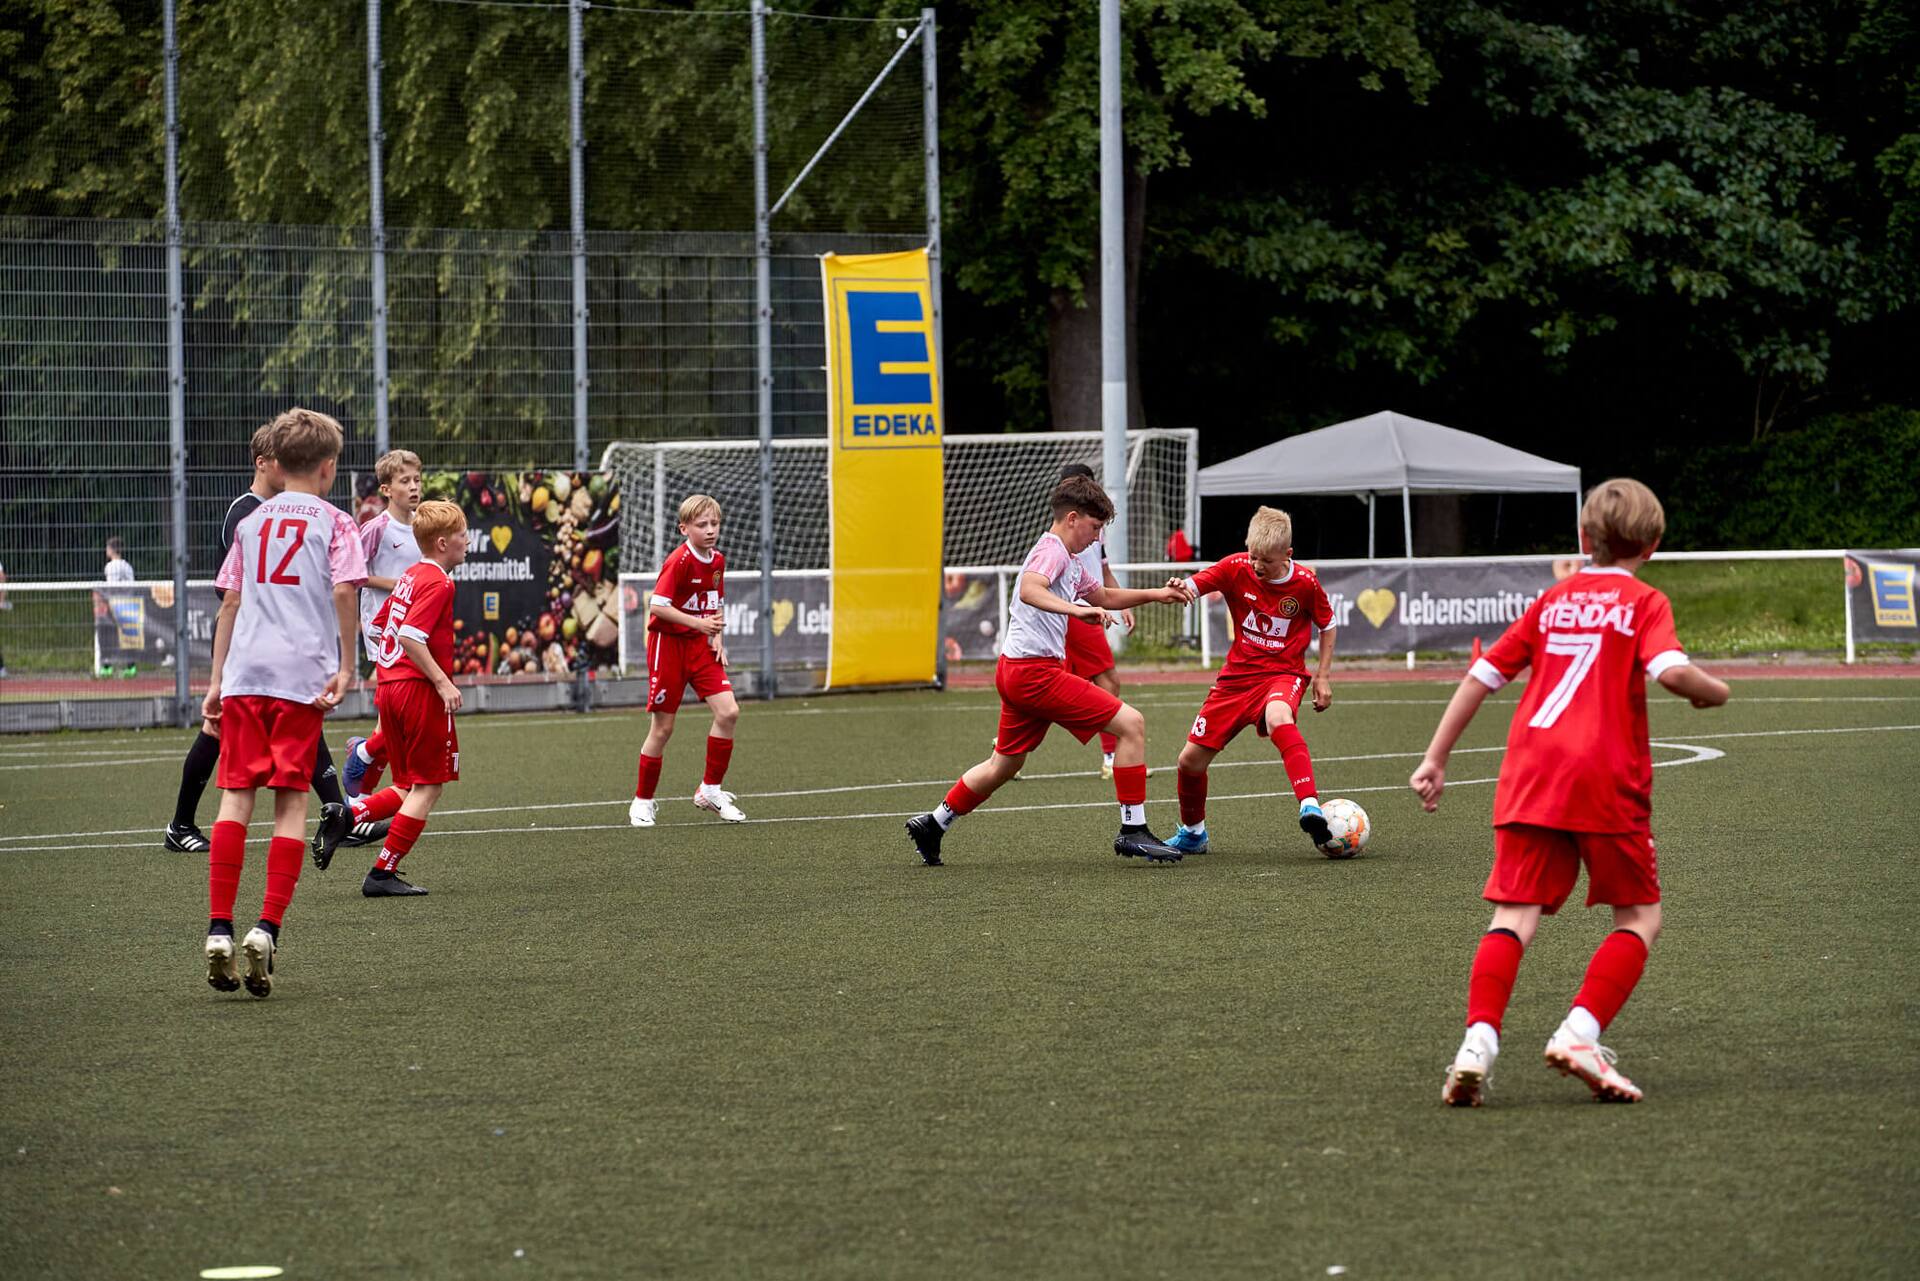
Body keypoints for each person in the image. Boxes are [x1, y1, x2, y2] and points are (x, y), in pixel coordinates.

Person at [1411, 478, 1730, 1106]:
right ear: (1655, 545)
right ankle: (1579, 1033)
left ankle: (1476, 1043)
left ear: (1585, 539)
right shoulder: (1645, 600)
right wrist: (1714, 691)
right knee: (1640, 916)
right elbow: (1670, 671)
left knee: (1513, 916)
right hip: (1606, 778)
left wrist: (1436, 756)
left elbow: (1482, 676)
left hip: (1530, 775)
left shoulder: (1552, 600)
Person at [905, 474, 1192, 867]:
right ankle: (1132, 830)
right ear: (1072, 518)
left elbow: (1104, 596)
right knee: (1131, 723)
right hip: (1033, 673)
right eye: (1094, 527)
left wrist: (1159, 594)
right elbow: (1029, 588)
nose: (1096, 537)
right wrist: (1077, 610)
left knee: (1004, 763)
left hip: (1018, 669)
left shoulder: (1070, 558)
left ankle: (934, 823)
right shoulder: (1053, 549)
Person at [200, 408, 368, 998]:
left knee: (234, 798)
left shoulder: (251, 522)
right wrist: (347, 665)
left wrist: (216, 680)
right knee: (292, 804)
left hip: (246, 674)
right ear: (327, 468)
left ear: (279, 460)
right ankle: (266, 928)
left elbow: (228, 604)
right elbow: (346, 589)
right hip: (300, 678)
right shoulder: (336, 521)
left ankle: (219, 927)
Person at [163, 427, 372, 855]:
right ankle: (180, 823)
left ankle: (338, 810)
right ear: (265, 463)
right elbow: (234, 593)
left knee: (300, 722)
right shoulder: (249, 513)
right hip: (253, 643)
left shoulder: (287, 510)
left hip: (274, 647)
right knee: (218, 735)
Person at [1162, 507, 1340, 855]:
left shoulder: (1304, 583)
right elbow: (1197, 584)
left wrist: (1322, 677)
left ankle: (1310, 805)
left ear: (1288, 555)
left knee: (1278, 718)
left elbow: (1328, 624)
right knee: (1189, 762)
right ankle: (1194, 833)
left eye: (1267, 561)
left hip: (1283, 674)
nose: (1258, 565)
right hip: (1235, 680)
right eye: (1254, 555)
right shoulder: (1236, 566)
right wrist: (1181, 587)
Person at [314, 500, 468, 897]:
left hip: (389, 689)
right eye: (462, 535)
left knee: (404, 786)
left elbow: (381, 626)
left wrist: (393, 670)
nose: (467, 541)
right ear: (441, 542)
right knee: (428, 787)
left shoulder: (410, 575)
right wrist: (441, 681)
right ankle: (382, 873)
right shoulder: (439, 581)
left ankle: (346, 816)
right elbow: (410, 636)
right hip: (417, 693)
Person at [628, 494, 744, 828]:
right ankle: (642, 801)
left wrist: (717, 636)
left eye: (714, 524)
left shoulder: (718, 561)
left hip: (700, 647)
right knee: (663, 728)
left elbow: (715, 601)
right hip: (669, 647)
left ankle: (710, 790)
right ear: (684, 528)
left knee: (729, 712)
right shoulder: (678, 561)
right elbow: (658, 607)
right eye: (701, 524)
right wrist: (700, 625)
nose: (710, 530)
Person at [342, 448, 426, 800]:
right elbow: (354, 576)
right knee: (399, 716)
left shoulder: (426, 523)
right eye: (404, 481)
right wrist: (399, 585)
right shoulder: (376, 528)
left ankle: (360, 782)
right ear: (387, 489)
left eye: (417, 480)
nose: (413, 487)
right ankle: (360, 789)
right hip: (385, 632)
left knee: (397, 719)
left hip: (416, 629)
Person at [1056, 463, 1130, 778]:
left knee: (1055, 688)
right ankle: (1112, 757)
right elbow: (1034, 585)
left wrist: (1122, 602)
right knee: (1108, 681)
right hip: (1077, 614)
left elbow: (1104, 571)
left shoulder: (1093, 531)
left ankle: (1004, 746)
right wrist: (1076, 608)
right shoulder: (1059, 538)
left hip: (1083, 610)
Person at [95, 537, 137, 677]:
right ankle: (131, 667)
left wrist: (109, 602)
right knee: (127, 637)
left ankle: (107, 667)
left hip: (117, 605)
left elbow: (112, 588)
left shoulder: (111, 566)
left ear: (112, 550)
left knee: (109, 635)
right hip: (129, 604)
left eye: (107, 548)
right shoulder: (128, 565)